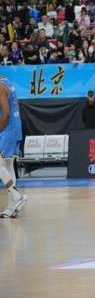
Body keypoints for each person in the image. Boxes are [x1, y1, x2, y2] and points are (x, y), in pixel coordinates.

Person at [0, 77, 27, 218]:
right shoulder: (7, 81)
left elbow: (6, 114)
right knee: (8, 166)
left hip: (8, 129)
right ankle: (12, 207)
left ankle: (17, 196)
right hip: (16, 127)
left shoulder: (0, 87)